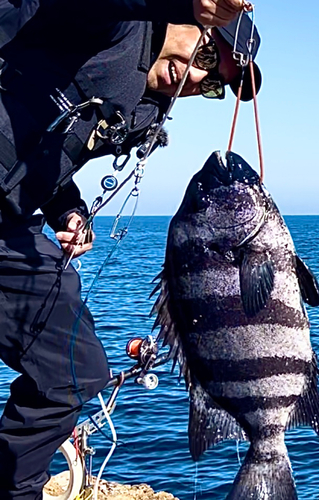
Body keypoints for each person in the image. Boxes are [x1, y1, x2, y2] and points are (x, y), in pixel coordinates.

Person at [0, 0, 262, 497]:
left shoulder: (140, 108)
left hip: (10, 227)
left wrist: (67, 212)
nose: (193, 81)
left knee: (76, 369)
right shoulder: (112, 21)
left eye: (210, 85)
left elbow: (49, 155)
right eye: (206, 62)